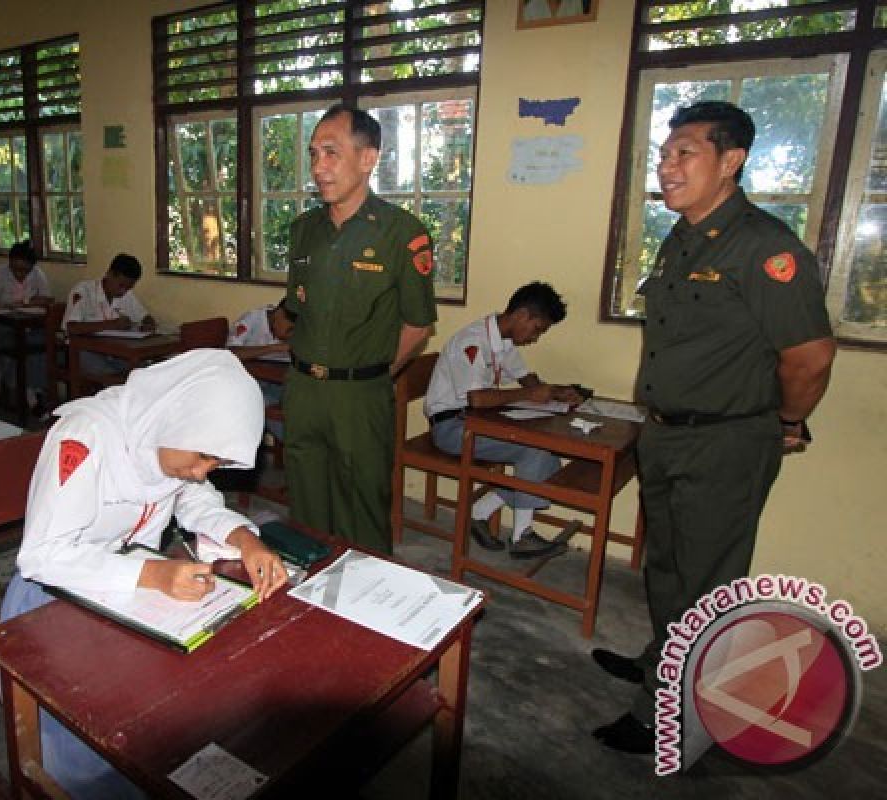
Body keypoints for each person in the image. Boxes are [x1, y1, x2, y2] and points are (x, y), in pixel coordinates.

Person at [591, 101, 836, 754]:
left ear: (731, 161)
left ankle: (669, 714)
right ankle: (661, 663)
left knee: (707, 584)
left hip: (726, 441)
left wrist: (786, 422)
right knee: (667, 568)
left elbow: (810, 358)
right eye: (665, 154)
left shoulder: (766, 248)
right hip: (667, 433)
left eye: (684, 153)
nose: (667, 166)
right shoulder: (682, 240)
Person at [0, 348, 288, 797]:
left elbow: (193, 496)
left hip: (133, 589)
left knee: (205, 686)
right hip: (53, 599)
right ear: (177, 417)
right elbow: (41, 556)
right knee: (102, 738)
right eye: (203, 456)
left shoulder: (171, 434)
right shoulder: (85, 436)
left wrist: (244, 539)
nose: (202, 470)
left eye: (215, 463)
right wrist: (153, 575)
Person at [282, 104, 437, 554]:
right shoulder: (303, 230)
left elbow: (417, 324)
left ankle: (367, 614)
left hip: (361, 396)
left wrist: (374, 374)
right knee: (307, 514)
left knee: (364, 514)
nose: (318, 167)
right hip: (305, 390)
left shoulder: (401, 232)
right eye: (313, 154)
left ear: (368, 159)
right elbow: (298, 311)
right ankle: (312, 608)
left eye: (331, 153)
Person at [424, 282, 584, 558]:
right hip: (452, 427)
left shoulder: (504, 342)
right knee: (535, 450)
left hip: (480, 422)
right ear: (521, 315)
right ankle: (521, 537)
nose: (536, 338)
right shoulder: (472, 341)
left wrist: (555, 392)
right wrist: (530, 393)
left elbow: (526, 379)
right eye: (537, 329)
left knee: (547, 455)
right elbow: (477, 399)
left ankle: (481, 510)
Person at [0, 239, 53, 416]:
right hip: (2, 325)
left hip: (28, 325)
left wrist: (26, 302)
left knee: (41, 345)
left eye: (24, 271)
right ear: (10, 263)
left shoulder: (37, 275)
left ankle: (32, 391)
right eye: (16, 269)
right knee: (12, 347)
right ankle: (28, 395)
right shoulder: (0, 274)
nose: (20, 274)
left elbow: (47, 300)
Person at [62, 253, 156, 376]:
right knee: (110, 376)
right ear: (109, 274)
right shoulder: (84, 291)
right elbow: (72, 328)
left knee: (144, 370)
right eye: (121, 285)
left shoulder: (126, 294)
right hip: (82, 351)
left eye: (128, 287)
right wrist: (112, 324)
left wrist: (148, 324)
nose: (123, 291)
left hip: (114, 352)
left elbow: (146, 317)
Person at [226, 298, 295, 441]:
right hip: (251, 382)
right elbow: (231, 352)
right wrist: (274, 348)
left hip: (280, 381)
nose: (290, 336)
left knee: (300, 402)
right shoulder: (253, 319)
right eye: (289, 330)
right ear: (278, 314)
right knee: (264, 404)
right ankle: (292, 446)